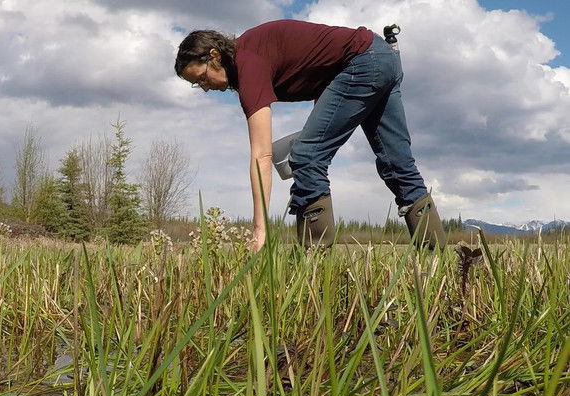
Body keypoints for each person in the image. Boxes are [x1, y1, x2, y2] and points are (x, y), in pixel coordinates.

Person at [174, 19, 445, 251]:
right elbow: (324, 74)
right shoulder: (252, 54)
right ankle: (437, 258)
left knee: (306, 156)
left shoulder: (248, 62)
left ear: (214, 55)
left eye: (201, 78)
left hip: (364, 61)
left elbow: (261, 155)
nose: (205, 87)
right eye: (197, 85)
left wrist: (260, 229)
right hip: (380, 55)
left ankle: (315, 263)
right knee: (398, 164)